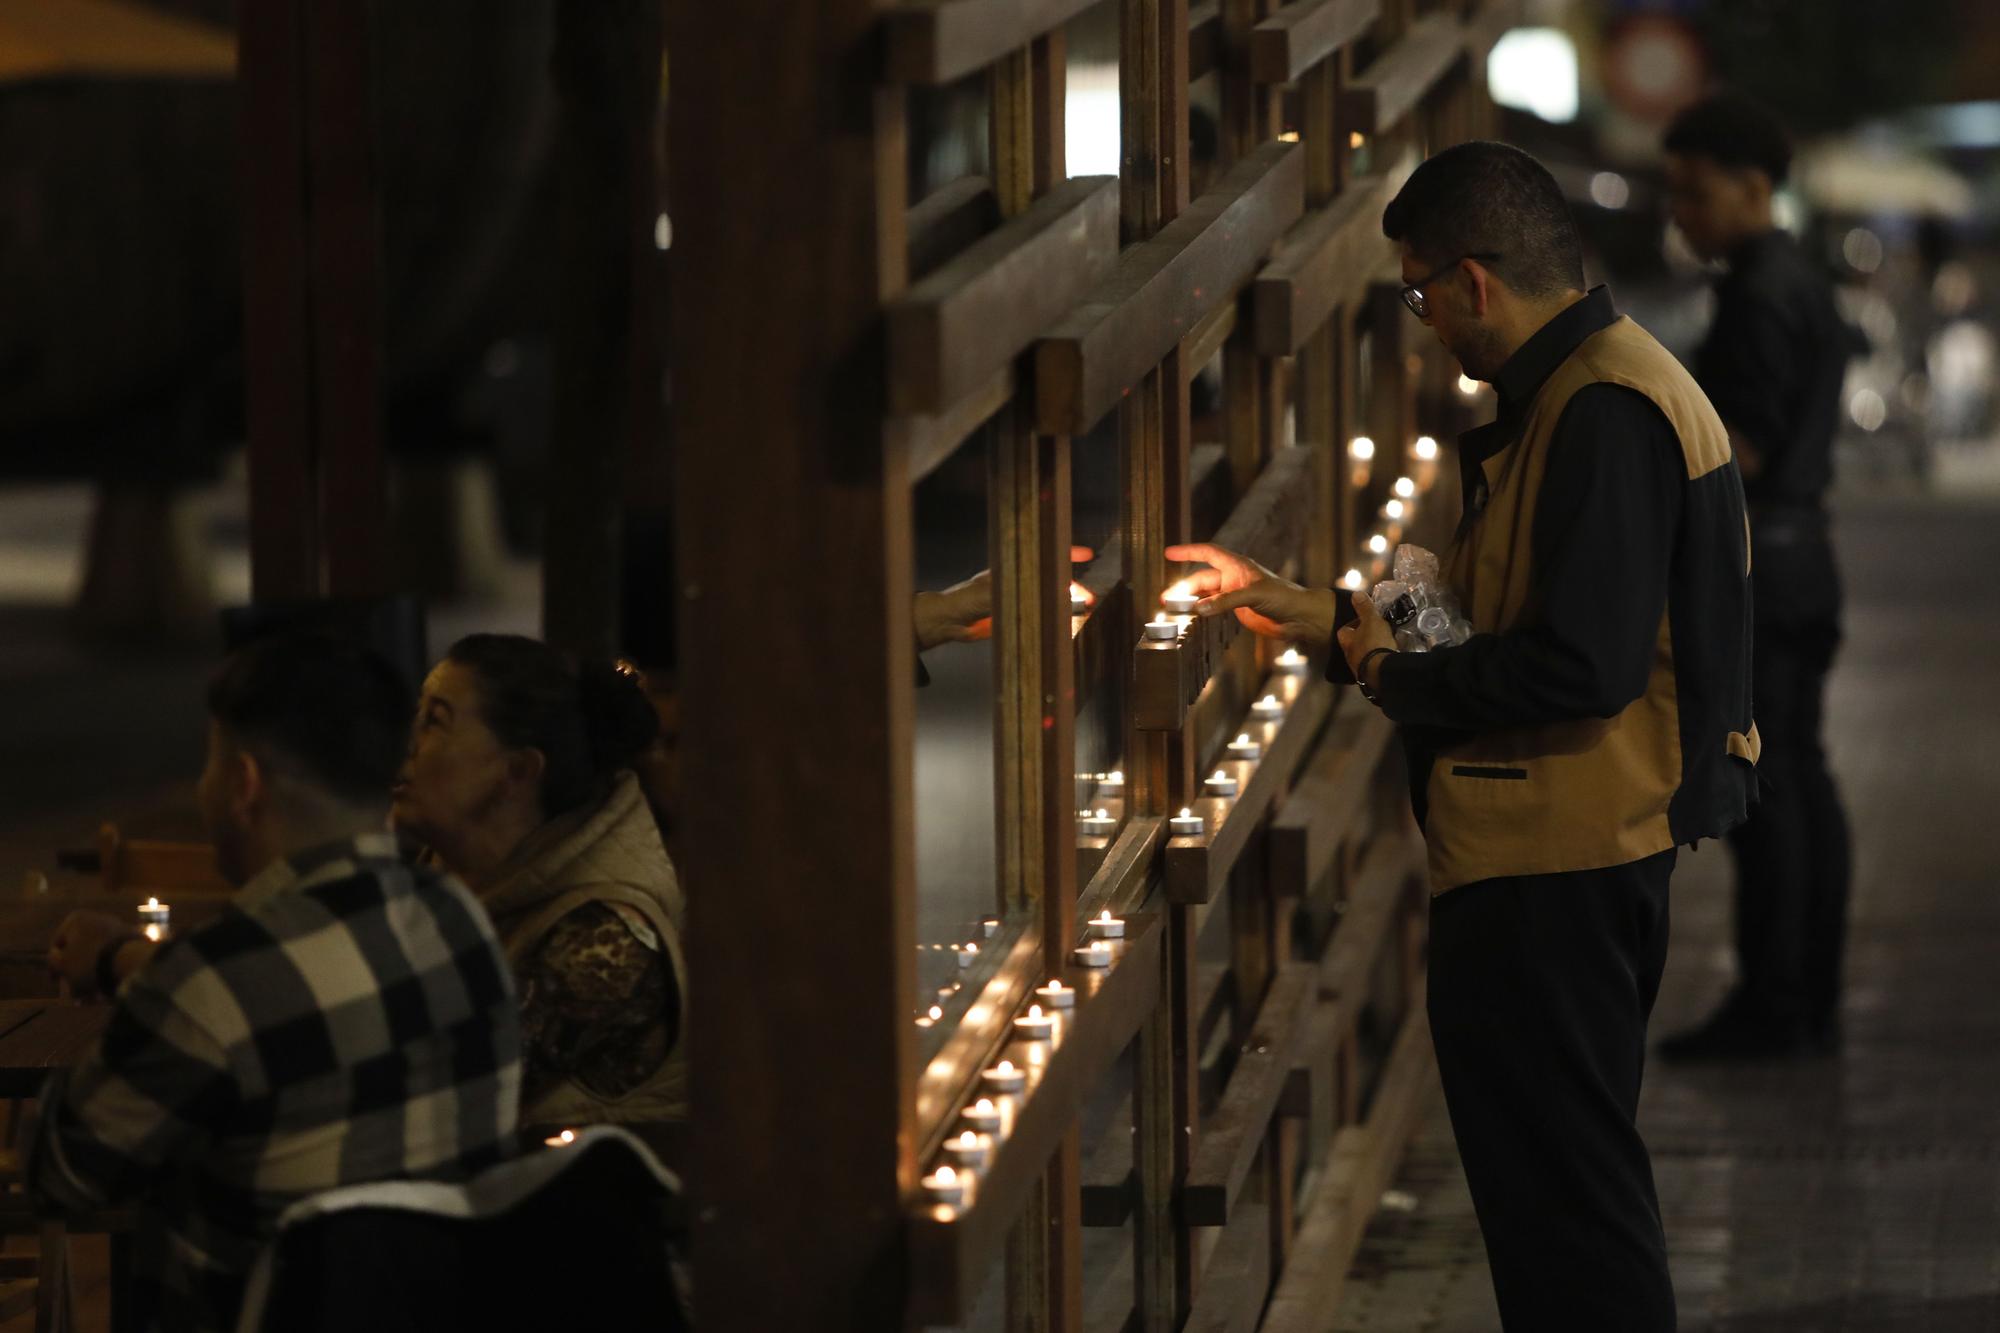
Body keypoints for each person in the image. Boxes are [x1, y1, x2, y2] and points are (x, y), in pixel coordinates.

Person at [1164, 141, 1758, 1331]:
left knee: (1567, 1210)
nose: (1423, 320)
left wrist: (1385, 665)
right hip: (1568, 849)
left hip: (1559, 856)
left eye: (1419, 292)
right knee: (1561, 1195)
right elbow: (1518, 616)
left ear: (1472, 282)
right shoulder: (1593, 387)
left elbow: (1576, 664)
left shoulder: (1598, 409)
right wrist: (1325, 614)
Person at [33, 635, 521, 1333]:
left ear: (245, 784)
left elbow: (63, 1171)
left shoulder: (214, 979)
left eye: (208, 763)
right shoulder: (463, 922)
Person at [1657, 93, 1856, 1060]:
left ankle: (1776, 1003)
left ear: (1752, 187)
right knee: (1804, 784)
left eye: (1694, 194)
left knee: (1769, 791)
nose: (1681, 215)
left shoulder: (1758, 287)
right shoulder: (1796, 276)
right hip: (1803, 560)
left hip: (1766, 568)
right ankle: (1806, 995)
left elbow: (1747, 445)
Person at [390, 634, 687, 1133]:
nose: (406, 742)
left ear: (516, 771)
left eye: (435, 721)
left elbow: (419, 1098)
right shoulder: (442, 875)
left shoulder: (602, 941)